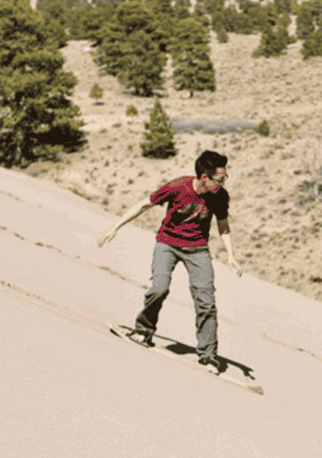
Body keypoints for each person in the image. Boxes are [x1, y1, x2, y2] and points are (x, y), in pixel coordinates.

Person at [97, 149, 239, 372]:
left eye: (224, 178)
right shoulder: (178, 187)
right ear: (205, 177)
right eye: (220, 179)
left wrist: (231, 255)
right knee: (159, 289)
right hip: (168, 243)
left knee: (206, 302)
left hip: (198, 249)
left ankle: (208, 355)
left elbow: (223, 225)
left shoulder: (220, 196)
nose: (223, 182)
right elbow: (145, 204)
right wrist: (114, 227)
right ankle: (143, 331)